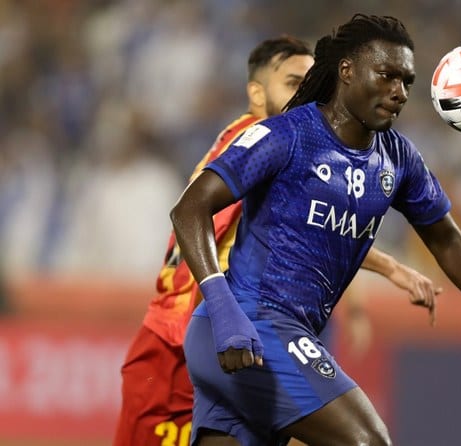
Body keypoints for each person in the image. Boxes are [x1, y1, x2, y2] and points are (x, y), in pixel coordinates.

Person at [172, 14, 461, 446]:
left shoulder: (398, 159)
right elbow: (190, 209)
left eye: (407, 81)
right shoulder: (286, 136)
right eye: (386, 75)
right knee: (368, 440)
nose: (399, 92)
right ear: (346, 70)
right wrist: (223, 308)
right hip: (246, 326)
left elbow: (446, 238)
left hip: (274, 337)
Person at [113, 35, 440, 446]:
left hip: (219, 335)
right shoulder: (264, 141)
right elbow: (197, 215)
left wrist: (386, 270)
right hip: (181, 340)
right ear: (257, 93)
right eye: (292, 83)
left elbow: (315, 230)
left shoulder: (272, 138)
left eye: (312, 82)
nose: (307, 94)